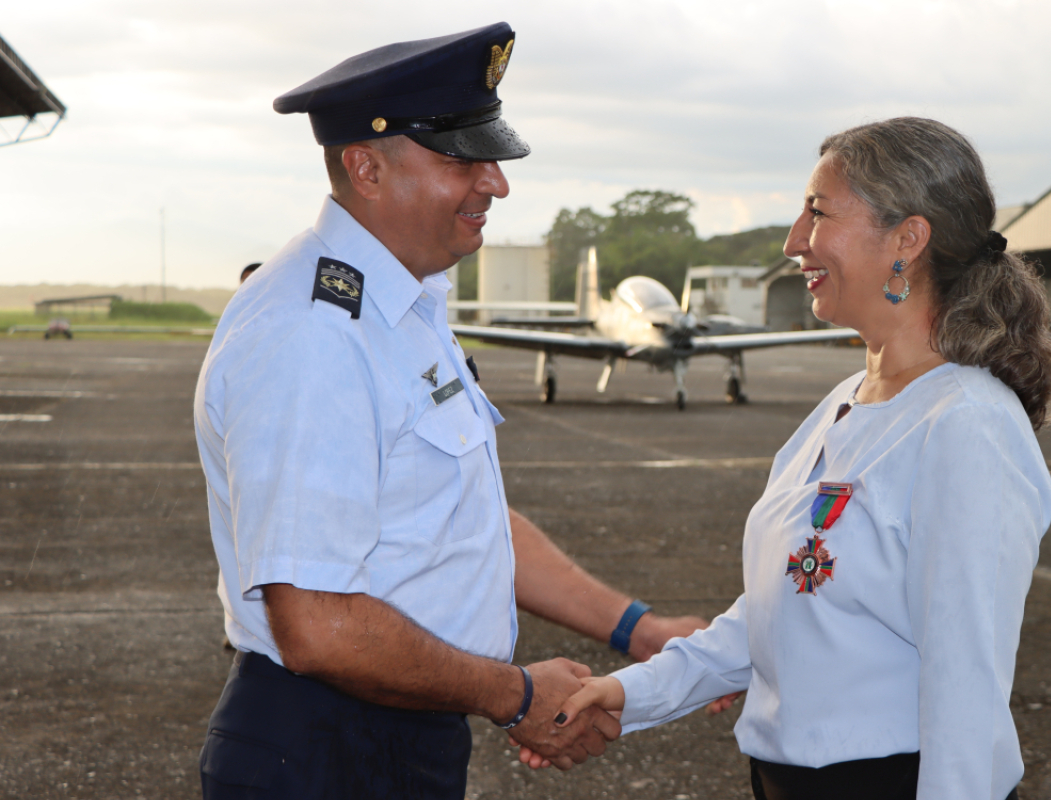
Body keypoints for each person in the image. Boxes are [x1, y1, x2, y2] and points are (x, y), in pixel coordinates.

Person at [193, 23, 705, 799]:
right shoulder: (314, 334)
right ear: (365, 166)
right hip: (325, 753)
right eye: (463, 159)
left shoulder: (404, 306)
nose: (495, 183)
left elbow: (460, 523)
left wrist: (636, 627)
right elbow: (319, 624)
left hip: (394, 736)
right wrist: (517, 696)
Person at [546, 118, 1051, 800]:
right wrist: (625, 692)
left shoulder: (965, 424)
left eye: (818, 213)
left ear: (908, 241)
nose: (795, 242)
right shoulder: (842, 405)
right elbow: (778, 613)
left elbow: (966, 691)